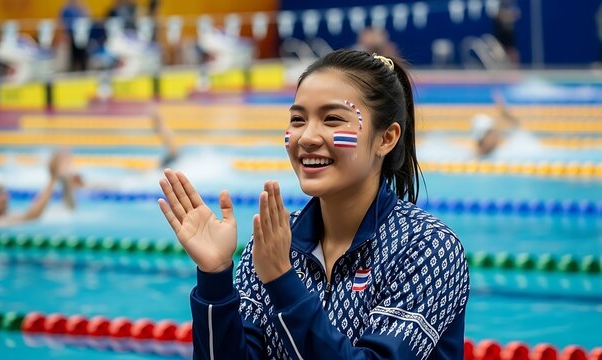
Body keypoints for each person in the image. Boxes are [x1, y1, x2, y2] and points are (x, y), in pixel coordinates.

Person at [158, 50, 470, 359]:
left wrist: (282, 281)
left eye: (332, 119)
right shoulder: (275, 244)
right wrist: (215, 278)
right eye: (297, 119)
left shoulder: (427, 247)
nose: (307, 137)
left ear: (385, 139)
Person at [0, 150, 80, 228]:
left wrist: (64, 181)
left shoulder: (6, 219)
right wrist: (52, 179)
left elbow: (69, 210)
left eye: (4, 191)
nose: (4, 197)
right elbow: (31, 217)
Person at [471, 91, 522, 157]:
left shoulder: (503, 152)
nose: (497, 133)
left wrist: (503, 111)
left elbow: (516, 125)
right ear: (483, 139)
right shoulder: (474, 160)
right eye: (492, 131)